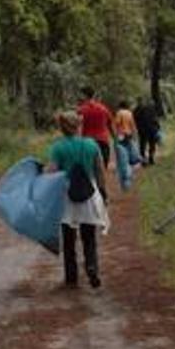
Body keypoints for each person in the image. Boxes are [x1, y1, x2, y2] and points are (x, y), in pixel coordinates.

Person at [45, 111, 110, 288]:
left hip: (67, 196)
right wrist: (104, 193)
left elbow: (51, 172)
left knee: (68, 239)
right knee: (89, 237)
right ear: (79, 126)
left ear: (62, 128)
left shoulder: (58, 147)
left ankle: (71, 276)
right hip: (89, 194)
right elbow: (100, 171)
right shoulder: (91, 144)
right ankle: (92, 267)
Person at [77, 86, 115, 167]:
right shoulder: (104, 108)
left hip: (88, 141)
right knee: (104, 167)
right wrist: (115, 139)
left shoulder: (82, 110)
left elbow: (78, 126)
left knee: (89, 167)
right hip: (103, 141)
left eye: (81, 95)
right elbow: (110, 125)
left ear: (85, 96)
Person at [133, 97, 161, 165]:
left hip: (143, 130)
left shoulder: (136, 110)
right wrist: (157, 126)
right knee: (151, 144)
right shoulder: (151, 109)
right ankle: (150, 158)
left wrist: (137, 127)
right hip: (150, 129)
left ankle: (145, 160)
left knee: (143, 145)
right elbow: (155, 119)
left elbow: (134, 120)